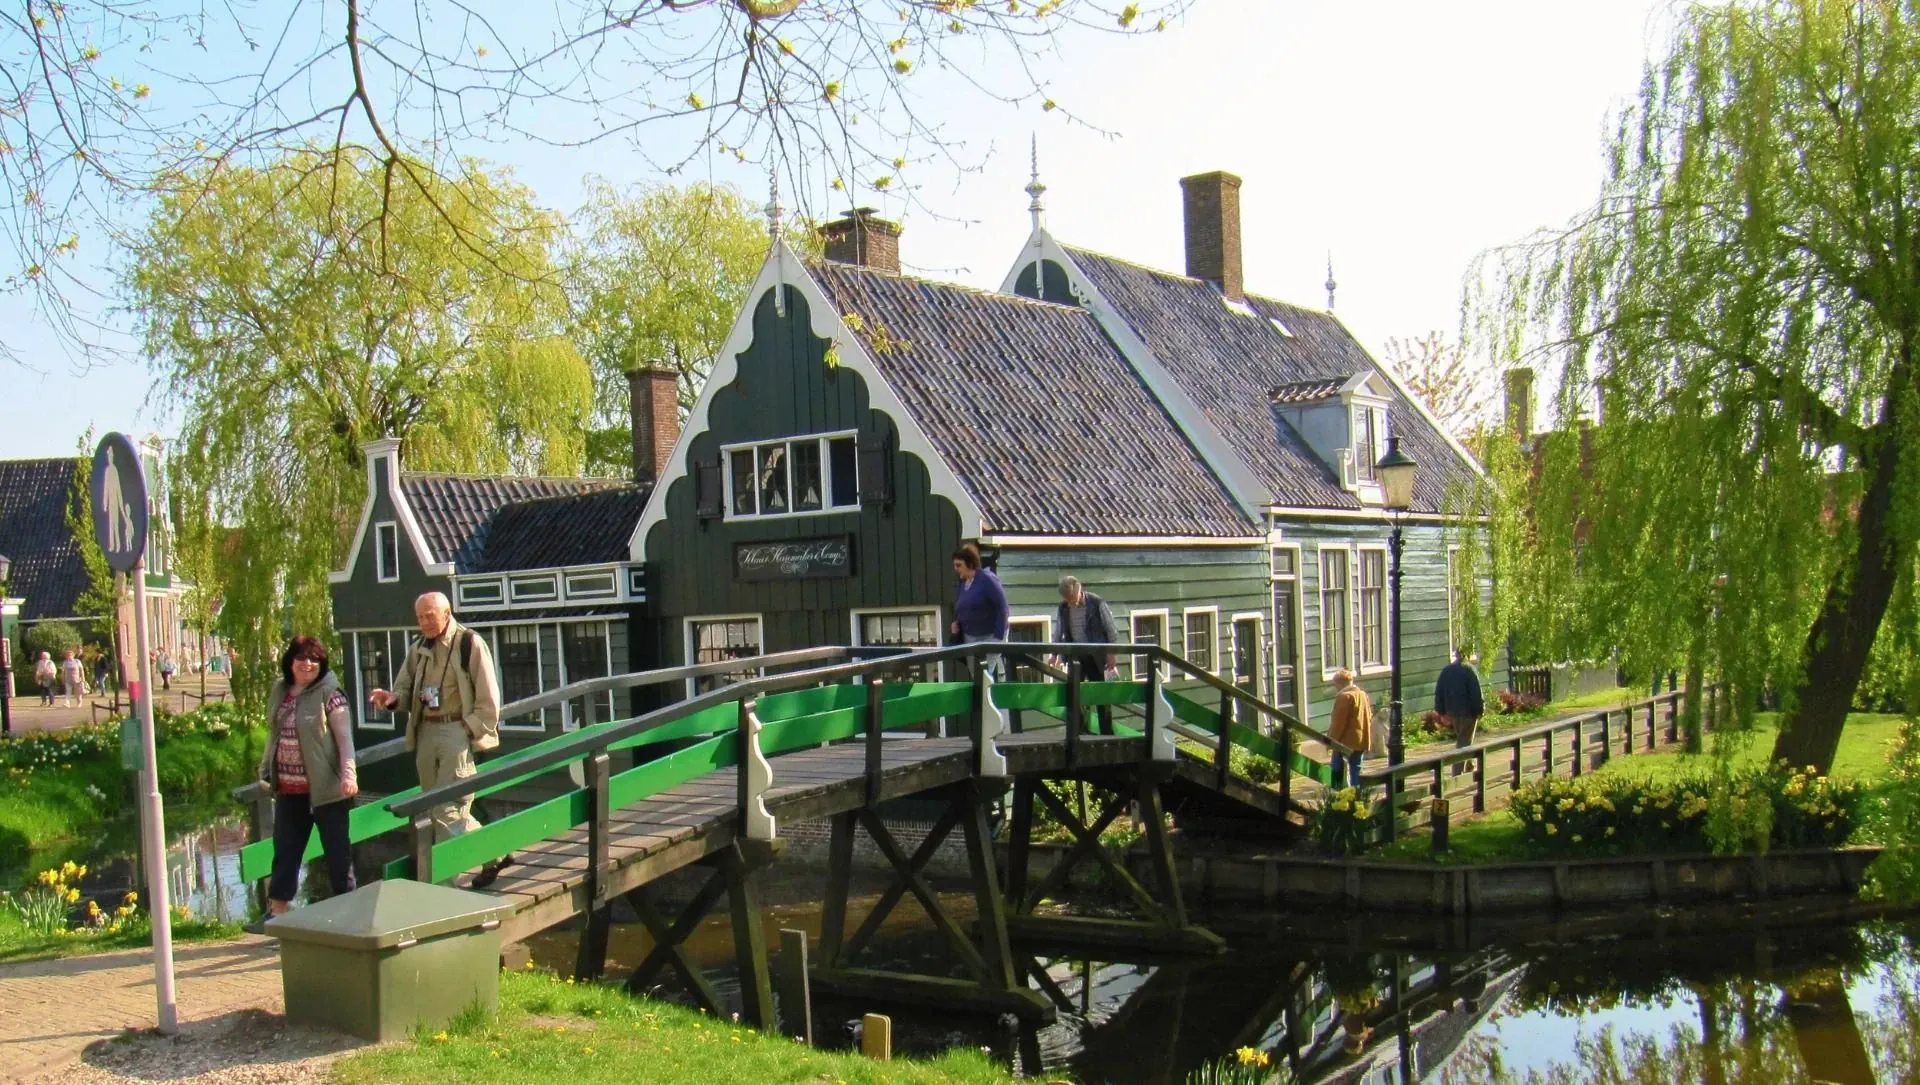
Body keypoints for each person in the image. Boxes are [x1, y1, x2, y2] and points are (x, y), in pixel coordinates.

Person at [369, 592, 511, 886]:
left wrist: (469, 730)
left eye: (429, 616)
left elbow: (489, 699)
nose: (423, 622)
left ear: (447, 614)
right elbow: (404, 690)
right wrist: (392, 699)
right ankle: (495, 850)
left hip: (456, 729)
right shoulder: (418, 648)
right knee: (434, 808)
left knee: (449, 808)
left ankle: (444, 885)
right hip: (426, 731)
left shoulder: (469, 643)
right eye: (419, 617)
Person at [258, 635, 357, 920]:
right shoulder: (281, 692)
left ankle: (350, 915)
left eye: (314, 659)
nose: (308, 664)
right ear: (290, 661)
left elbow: (345, 739)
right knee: (285, 851)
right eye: (301, 657)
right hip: (290, 789)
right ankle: (277, 912)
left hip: (327, 789)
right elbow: (274, 734)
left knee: (338, 855)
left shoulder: (331, 694)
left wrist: (348, 775)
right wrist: (265, 768)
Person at [1054, 575, 1120, 733]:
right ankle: (1081, 734)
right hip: (1076, 655)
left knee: (1101, 696)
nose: (1070, 602)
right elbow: (1058, 631)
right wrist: (1054, 654)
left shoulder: (1096, 603)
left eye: (1072, 598)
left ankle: (1106, 734)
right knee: (1076, 696)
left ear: (1079, 590)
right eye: (1067, 599)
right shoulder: (1063, 608)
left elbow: (1111, 629)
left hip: (1096, 655)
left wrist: (1111, 653)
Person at [949, 546, 1009, 678]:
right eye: (954, 565)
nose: (956, 569)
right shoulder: (963, 584)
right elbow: (962, 607)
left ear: (970, 563)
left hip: (990, 636)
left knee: (985, 674)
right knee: (975, 675)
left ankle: (991, 688)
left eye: (959, 565)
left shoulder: (987, 579)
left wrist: (998, 638)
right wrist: (956, 623)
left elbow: (1002, 607)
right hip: (970, 637)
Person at [1327, 668, 1373, 789]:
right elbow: (1369, 716)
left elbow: (1338, 723)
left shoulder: (1344, 697)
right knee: (1356, 771)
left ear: (1340, 683)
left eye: (1335, 685)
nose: (1335, 688)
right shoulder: (1363, 695)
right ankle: (1357, 796)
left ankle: (1340, 795)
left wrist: (1330, 741)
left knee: (1337, 771)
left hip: (1344, 742)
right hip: (1360, 740)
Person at [1433, 649, 1485, 749]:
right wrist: (1480, 710)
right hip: (1468, 713)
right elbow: (1475, 692)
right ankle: (1460, 760)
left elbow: (1439, 692)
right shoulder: (1469, 670)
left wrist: (1441, 711)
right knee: (1464, 742)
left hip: (1452, 712)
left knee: (1462, 738)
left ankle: (1466, 759)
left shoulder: (1446, 671)